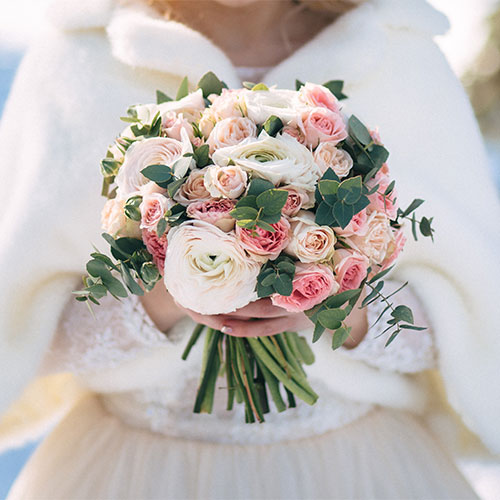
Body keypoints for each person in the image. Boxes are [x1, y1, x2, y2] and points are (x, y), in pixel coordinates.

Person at [0, 0, 499, 498]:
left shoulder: (401, 54)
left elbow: (476, 319)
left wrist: (336, 304)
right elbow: (20, 327)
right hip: (126, 469)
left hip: (358, 467)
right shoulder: (77, 58)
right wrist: (171, 295)